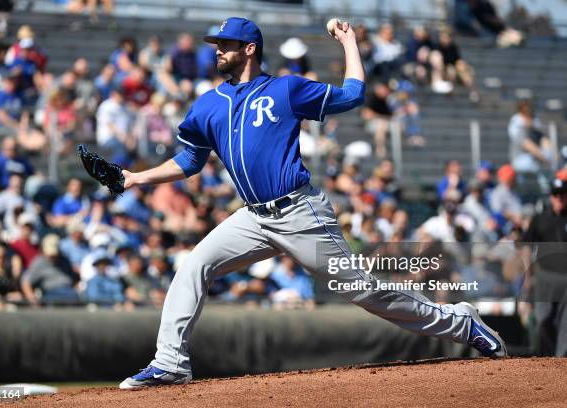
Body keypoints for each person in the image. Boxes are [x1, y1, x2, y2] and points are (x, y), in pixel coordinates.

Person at [118, 16, 506, 389]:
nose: (218, 51)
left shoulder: (285, 89)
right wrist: (137, 177)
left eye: (226, 45)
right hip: (253, 219)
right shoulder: (208, 104)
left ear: (249, 49)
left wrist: (349, 42)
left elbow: (353, 95)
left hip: (299, 212)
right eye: (216, 45)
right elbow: (189, 160)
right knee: (194, 266)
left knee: (363, 290)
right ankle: (170, 362)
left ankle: (461, 323)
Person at [521, 175, 567, 357]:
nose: (559, 198)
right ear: (550, 197)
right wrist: (527, 275)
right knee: (542, 320)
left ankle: (561, 359)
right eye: (556, 195)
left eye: (563, 194)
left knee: (566, 323)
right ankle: (549, 358)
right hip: (546, 276)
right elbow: (526, 247)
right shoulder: (540, 219)